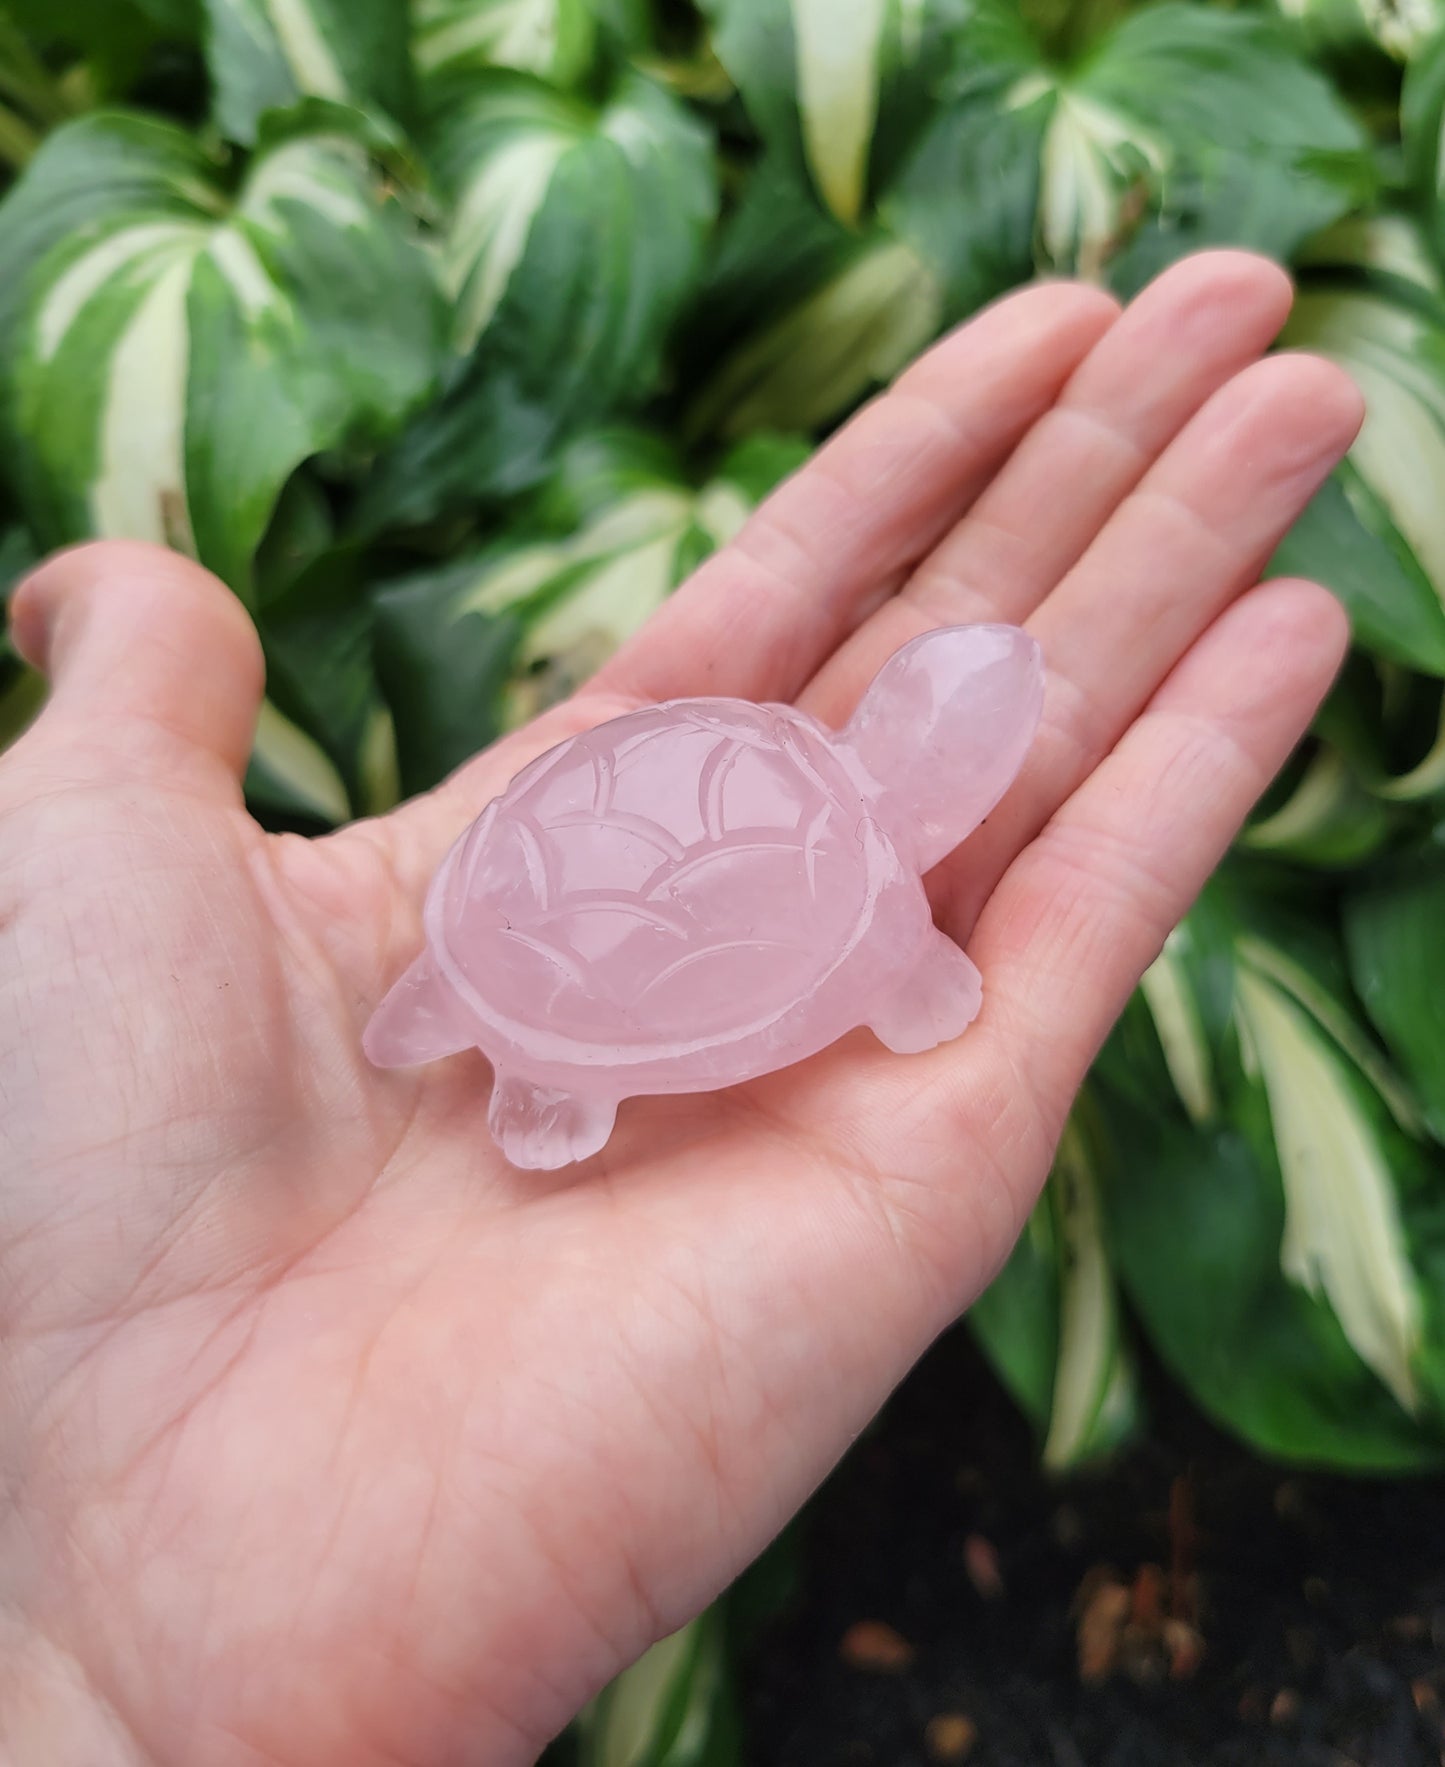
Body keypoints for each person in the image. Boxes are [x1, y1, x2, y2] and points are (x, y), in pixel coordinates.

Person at [0, 248, 1361, 1766]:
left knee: (540, 1002)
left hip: (517, 899)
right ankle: (526, 1059)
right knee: (571, 1060)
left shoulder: (766, 749)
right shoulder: (869, 901)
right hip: (570, 961)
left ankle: (491, 1025)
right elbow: (907, 992)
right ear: (945, 787)